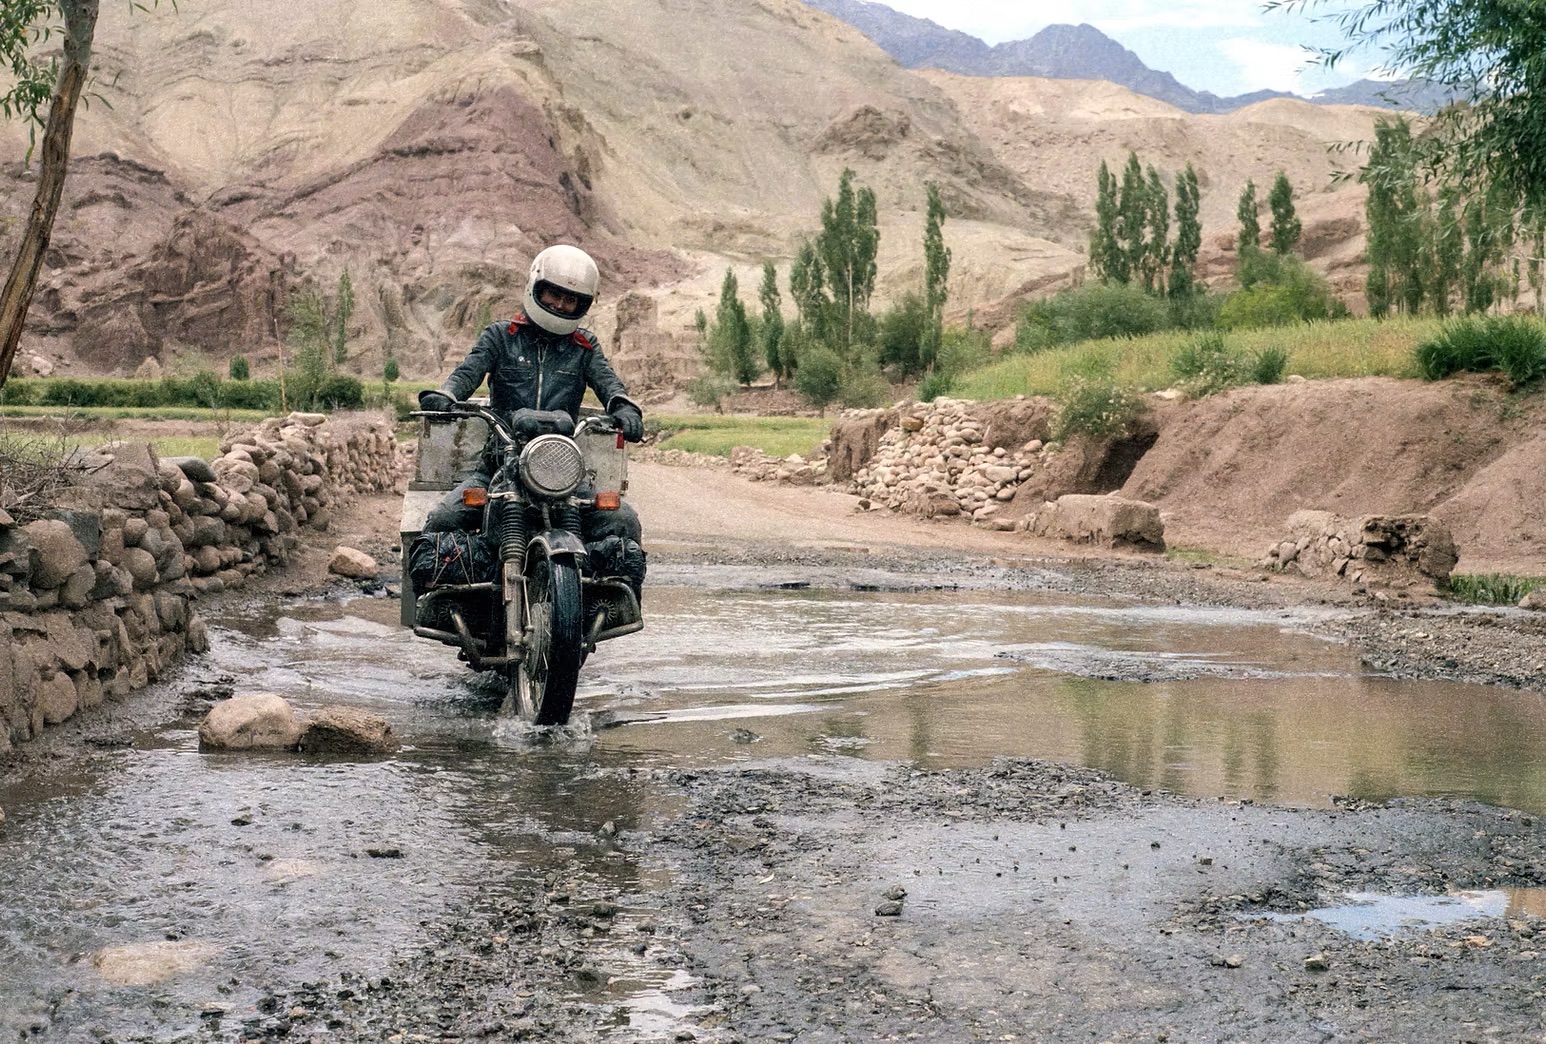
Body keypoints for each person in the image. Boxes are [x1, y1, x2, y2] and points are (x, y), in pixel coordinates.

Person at [417, 244, 646, 588]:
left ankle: (611, 607)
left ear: (582, 305)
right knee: (443, 517)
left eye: (570, 300)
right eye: (554, 294)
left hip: (562, 469)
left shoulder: (584, 346)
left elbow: (608, 382)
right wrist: (447, 395)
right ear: (536, 288)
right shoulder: (500, 336)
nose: (560, 305)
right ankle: (437, 606)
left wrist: (624, 407)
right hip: (498, 464)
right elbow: (469, 371)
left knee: (624, 521)